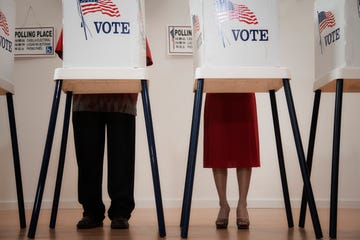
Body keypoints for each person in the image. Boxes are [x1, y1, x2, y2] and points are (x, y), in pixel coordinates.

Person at [55, 31, 153, 229]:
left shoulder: (129, 11)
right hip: (86, 95)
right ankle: (92, 211)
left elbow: (143, 55)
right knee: (88, 158)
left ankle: (120, 212)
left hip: (121, 96)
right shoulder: (80, 7)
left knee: (121, 158)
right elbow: (65, 50)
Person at [203, 93, 260, 229]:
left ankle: (242, 204)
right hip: (216, 85)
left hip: (243, 85)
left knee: (244, 144)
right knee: (218, 145)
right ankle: (223, 204)